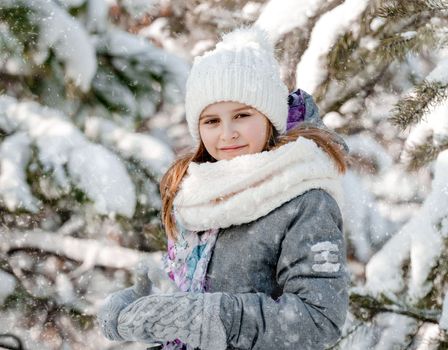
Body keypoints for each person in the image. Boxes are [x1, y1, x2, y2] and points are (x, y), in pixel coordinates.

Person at [97, 26, 349, 350]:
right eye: (212, 121)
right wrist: (144, 308)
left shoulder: (303, 199)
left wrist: (211, 317)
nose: (227, 133)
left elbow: (318, 321)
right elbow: (190, 299)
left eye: (241, 115)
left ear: (269, 118)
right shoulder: (196, 193)